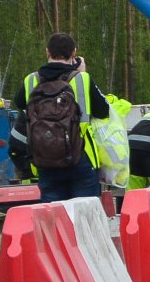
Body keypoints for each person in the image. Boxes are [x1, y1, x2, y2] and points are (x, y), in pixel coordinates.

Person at [14, 32, 111, 203]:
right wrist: (81, 72)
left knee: (54, 218)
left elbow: (20, 103)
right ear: (74, 53)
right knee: (85, 216)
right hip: (81, 156)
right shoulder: (82, 79)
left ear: (47, 52)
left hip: (44, 158)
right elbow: (103, 111)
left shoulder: (31, 80)